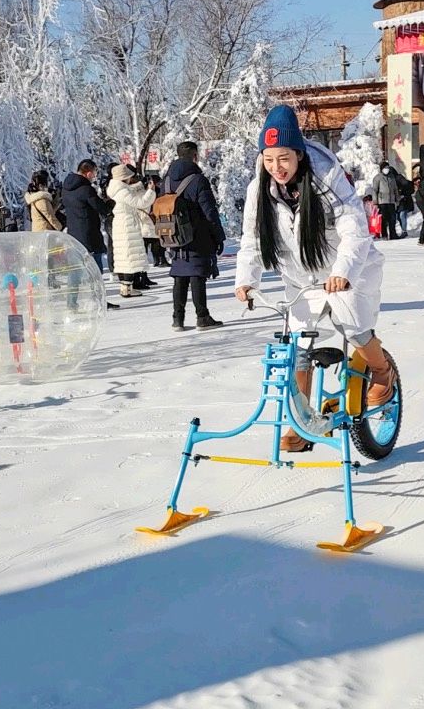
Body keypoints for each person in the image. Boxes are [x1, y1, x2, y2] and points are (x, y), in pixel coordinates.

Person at [235, 104, 394, 453]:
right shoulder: (258, 190)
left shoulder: (327, 178)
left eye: (285, 158)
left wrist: (342, 273)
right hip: (300, 278)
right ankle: (302, 422)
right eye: (269, 158)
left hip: (345, 272)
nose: (277, 167)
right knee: (297, 348)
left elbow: (354, 229)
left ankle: (383, 372)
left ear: (299, 154)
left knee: (354, 329)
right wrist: (247, 280)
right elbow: (252, 238)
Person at [162, 141, 225, 331]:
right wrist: (218, 235)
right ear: (195, 156)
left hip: (173, 234)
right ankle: (202, 316)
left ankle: (177, 319)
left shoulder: (166, 180)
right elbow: (209, 211)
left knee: (179, 276)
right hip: (198, 236)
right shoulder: (198, 180)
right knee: (197, 274)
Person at [62, 158, 119, 309]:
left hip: (74, 233)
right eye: (94, 173)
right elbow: (101, 208)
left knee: (75, 271)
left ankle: (71, 302)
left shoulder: (66, 189)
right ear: (88, 173)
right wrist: (110, 203)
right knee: (96, 269)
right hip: (89, 233)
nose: (95, 176)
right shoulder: (86, 189)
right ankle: (99, 300)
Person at [106, 164, 156, 297]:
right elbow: (140, 203)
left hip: (120, 224)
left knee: (123, 256)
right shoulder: (123, 192)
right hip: (127, 224)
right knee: (129, 256)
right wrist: (151, 191)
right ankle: (127, 288)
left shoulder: (116, 189)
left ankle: (125, 286)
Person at [372, 161, 400, 240]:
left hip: (391, 201)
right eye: (385, 168)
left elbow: (395, 189)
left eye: (387, 168)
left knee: (393, 219)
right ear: (381, 169)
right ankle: (384, 234)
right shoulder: (378, 178)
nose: (386, 169)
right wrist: (375, 202)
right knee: (384, 219)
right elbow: (374, 190)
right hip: (382, 202)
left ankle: (393, 234)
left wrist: (397, 199)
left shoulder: (391, 177)